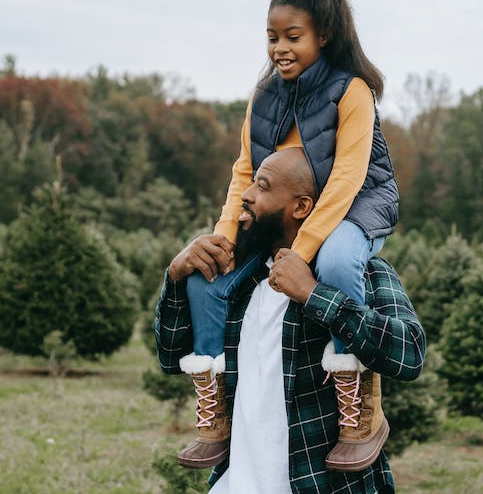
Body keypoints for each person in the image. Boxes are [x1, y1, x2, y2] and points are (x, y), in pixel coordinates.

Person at [175, 0, 400, 471]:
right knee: (205, 276)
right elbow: (244, 171)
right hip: (281, 215)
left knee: (341, 261)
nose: (280, 48)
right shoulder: (263, 97)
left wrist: (300, 257)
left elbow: (345, 181)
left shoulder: (353, 92)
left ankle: (357, 403)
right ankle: (214, 412)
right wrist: (226, 236)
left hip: (354, 209)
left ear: (322, 35)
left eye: (292, 36)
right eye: (272, 37)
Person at [156, 148, 424, 493]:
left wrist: (314, 294)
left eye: (263, 187)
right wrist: (176, 277)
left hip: (323, 484)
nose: (246, 196)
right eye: (250, 184)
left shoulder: (359, 275)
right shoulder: (235, 283)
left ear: (301, 206)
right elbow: (170, 356)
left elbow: (409, 353)